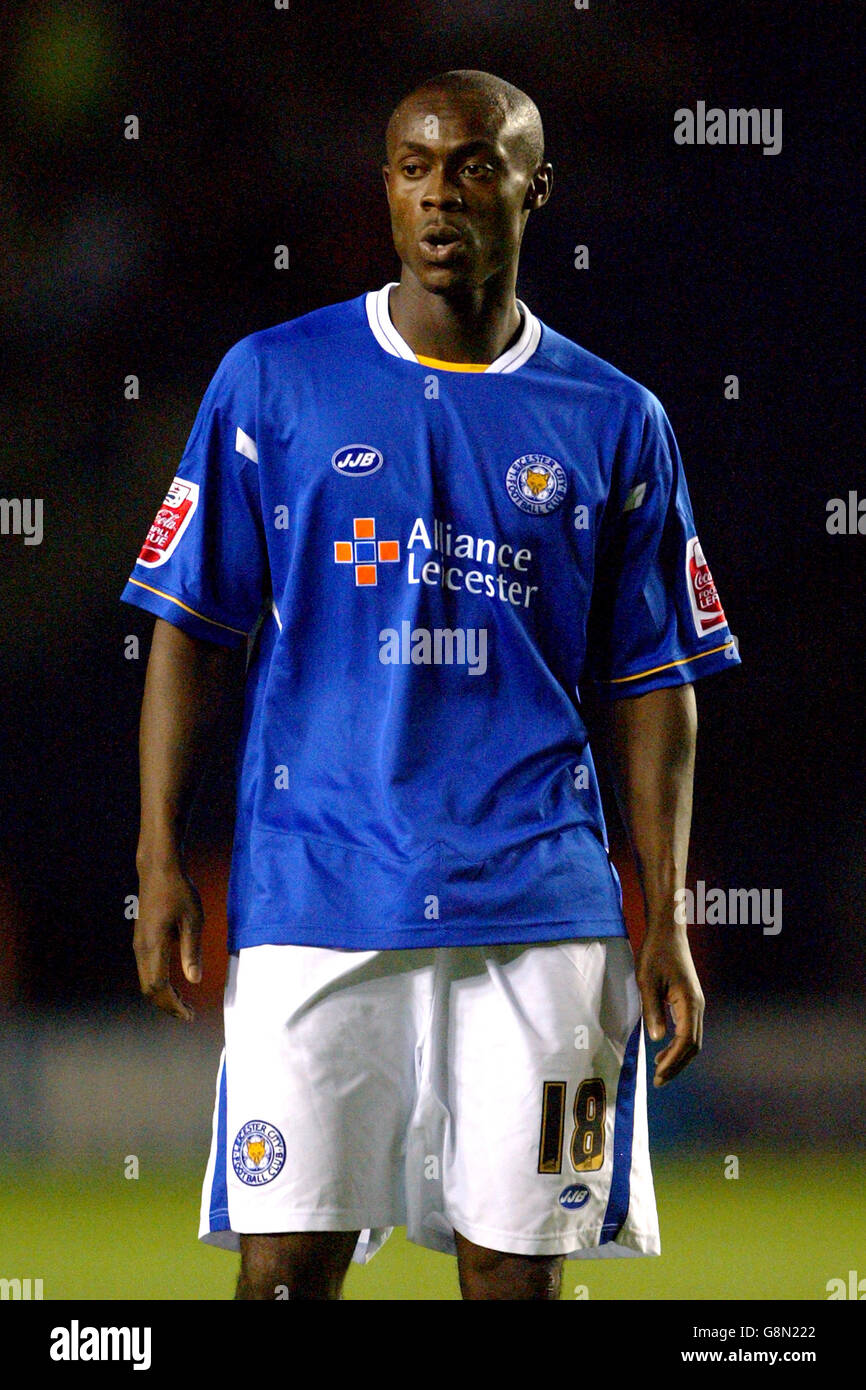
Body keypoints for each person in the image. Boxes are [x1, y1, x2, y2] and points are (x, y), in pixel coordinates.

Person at [121, 69, 740, 1301]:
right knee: (282, 1274)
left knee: (514, 1281)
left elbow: (654, 678)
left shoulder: (615, 417)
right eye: (412, 167)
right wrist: (155, 856)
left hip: (540, 905)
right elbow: (188, 627)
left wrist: (662, 907)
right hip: (314, 893)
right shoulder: (272, 382)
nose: (438, 195)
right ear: (385, 188)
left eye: (471, 166)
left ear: (533, 188)